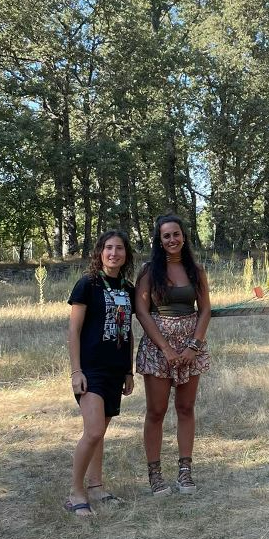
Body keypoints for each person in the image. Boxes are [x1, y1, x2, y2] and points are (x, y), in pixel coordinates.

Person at [135, 214, 212, 495]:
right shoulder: (148, 271)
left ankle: (185, 471)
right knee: (156, 411)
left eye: (176, 234)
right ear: (159, 240)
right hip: (158, 347)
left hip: (190, 345)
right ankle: (155, 474)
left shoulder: (196, 269)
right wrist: (166, 348)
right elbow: (142, 311)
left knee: (185, 408)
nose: (171, 240)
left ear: (183, 236)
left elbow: (205, 309)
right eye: (166, 236)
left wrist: (194, 346)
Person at [65, 230, 136, 517]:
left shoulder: (128, 288)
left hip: (116, 370)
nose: (114, 253)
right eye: (108, 248)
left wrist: (128, 371)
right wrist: (76, 370)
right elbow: (74, 330)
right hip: (90, 370)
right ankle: (75, 492)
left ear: (126, 255)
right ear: (100, 252)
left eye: (119, 248)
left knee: (100, 432)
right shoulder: (87, 285)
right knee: (93, 430)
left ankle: (96, 486)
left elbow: (128, 331)